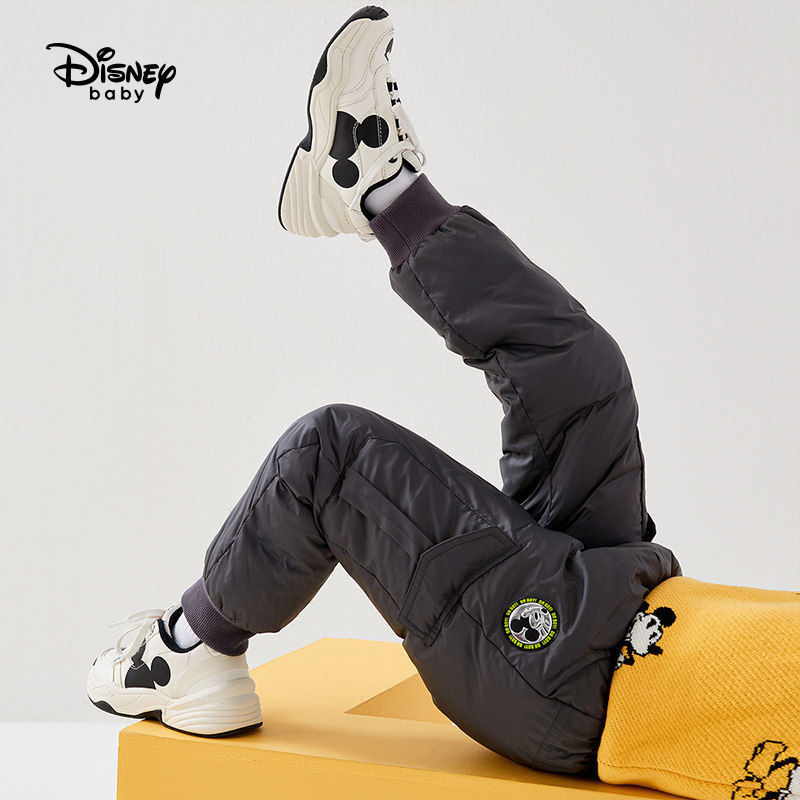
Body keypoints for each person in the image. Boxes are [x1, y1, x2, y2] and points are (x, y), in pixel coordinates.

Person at [87, 6, 680, 776]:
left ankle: (190, 648)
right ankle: (381, 187)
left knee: (330, 455)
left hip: (574, 680)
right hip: (632, 596)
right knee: (585, 372)